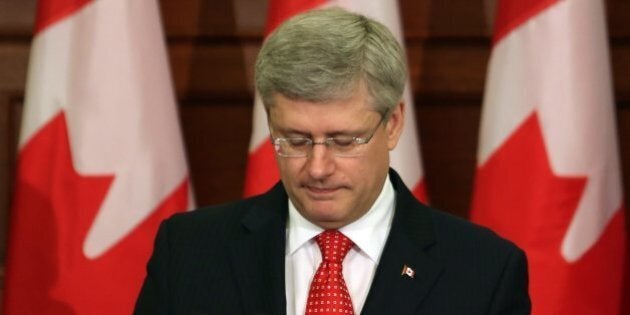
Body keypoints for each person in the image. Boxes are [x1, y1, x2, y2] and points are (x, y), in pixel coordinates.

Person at [134, 7, 530, 315]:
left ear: (392, 125)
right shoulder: (189, 252)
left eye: (343, 141)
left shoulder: (483, 271)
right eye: (295, 140)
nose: (318, 168)